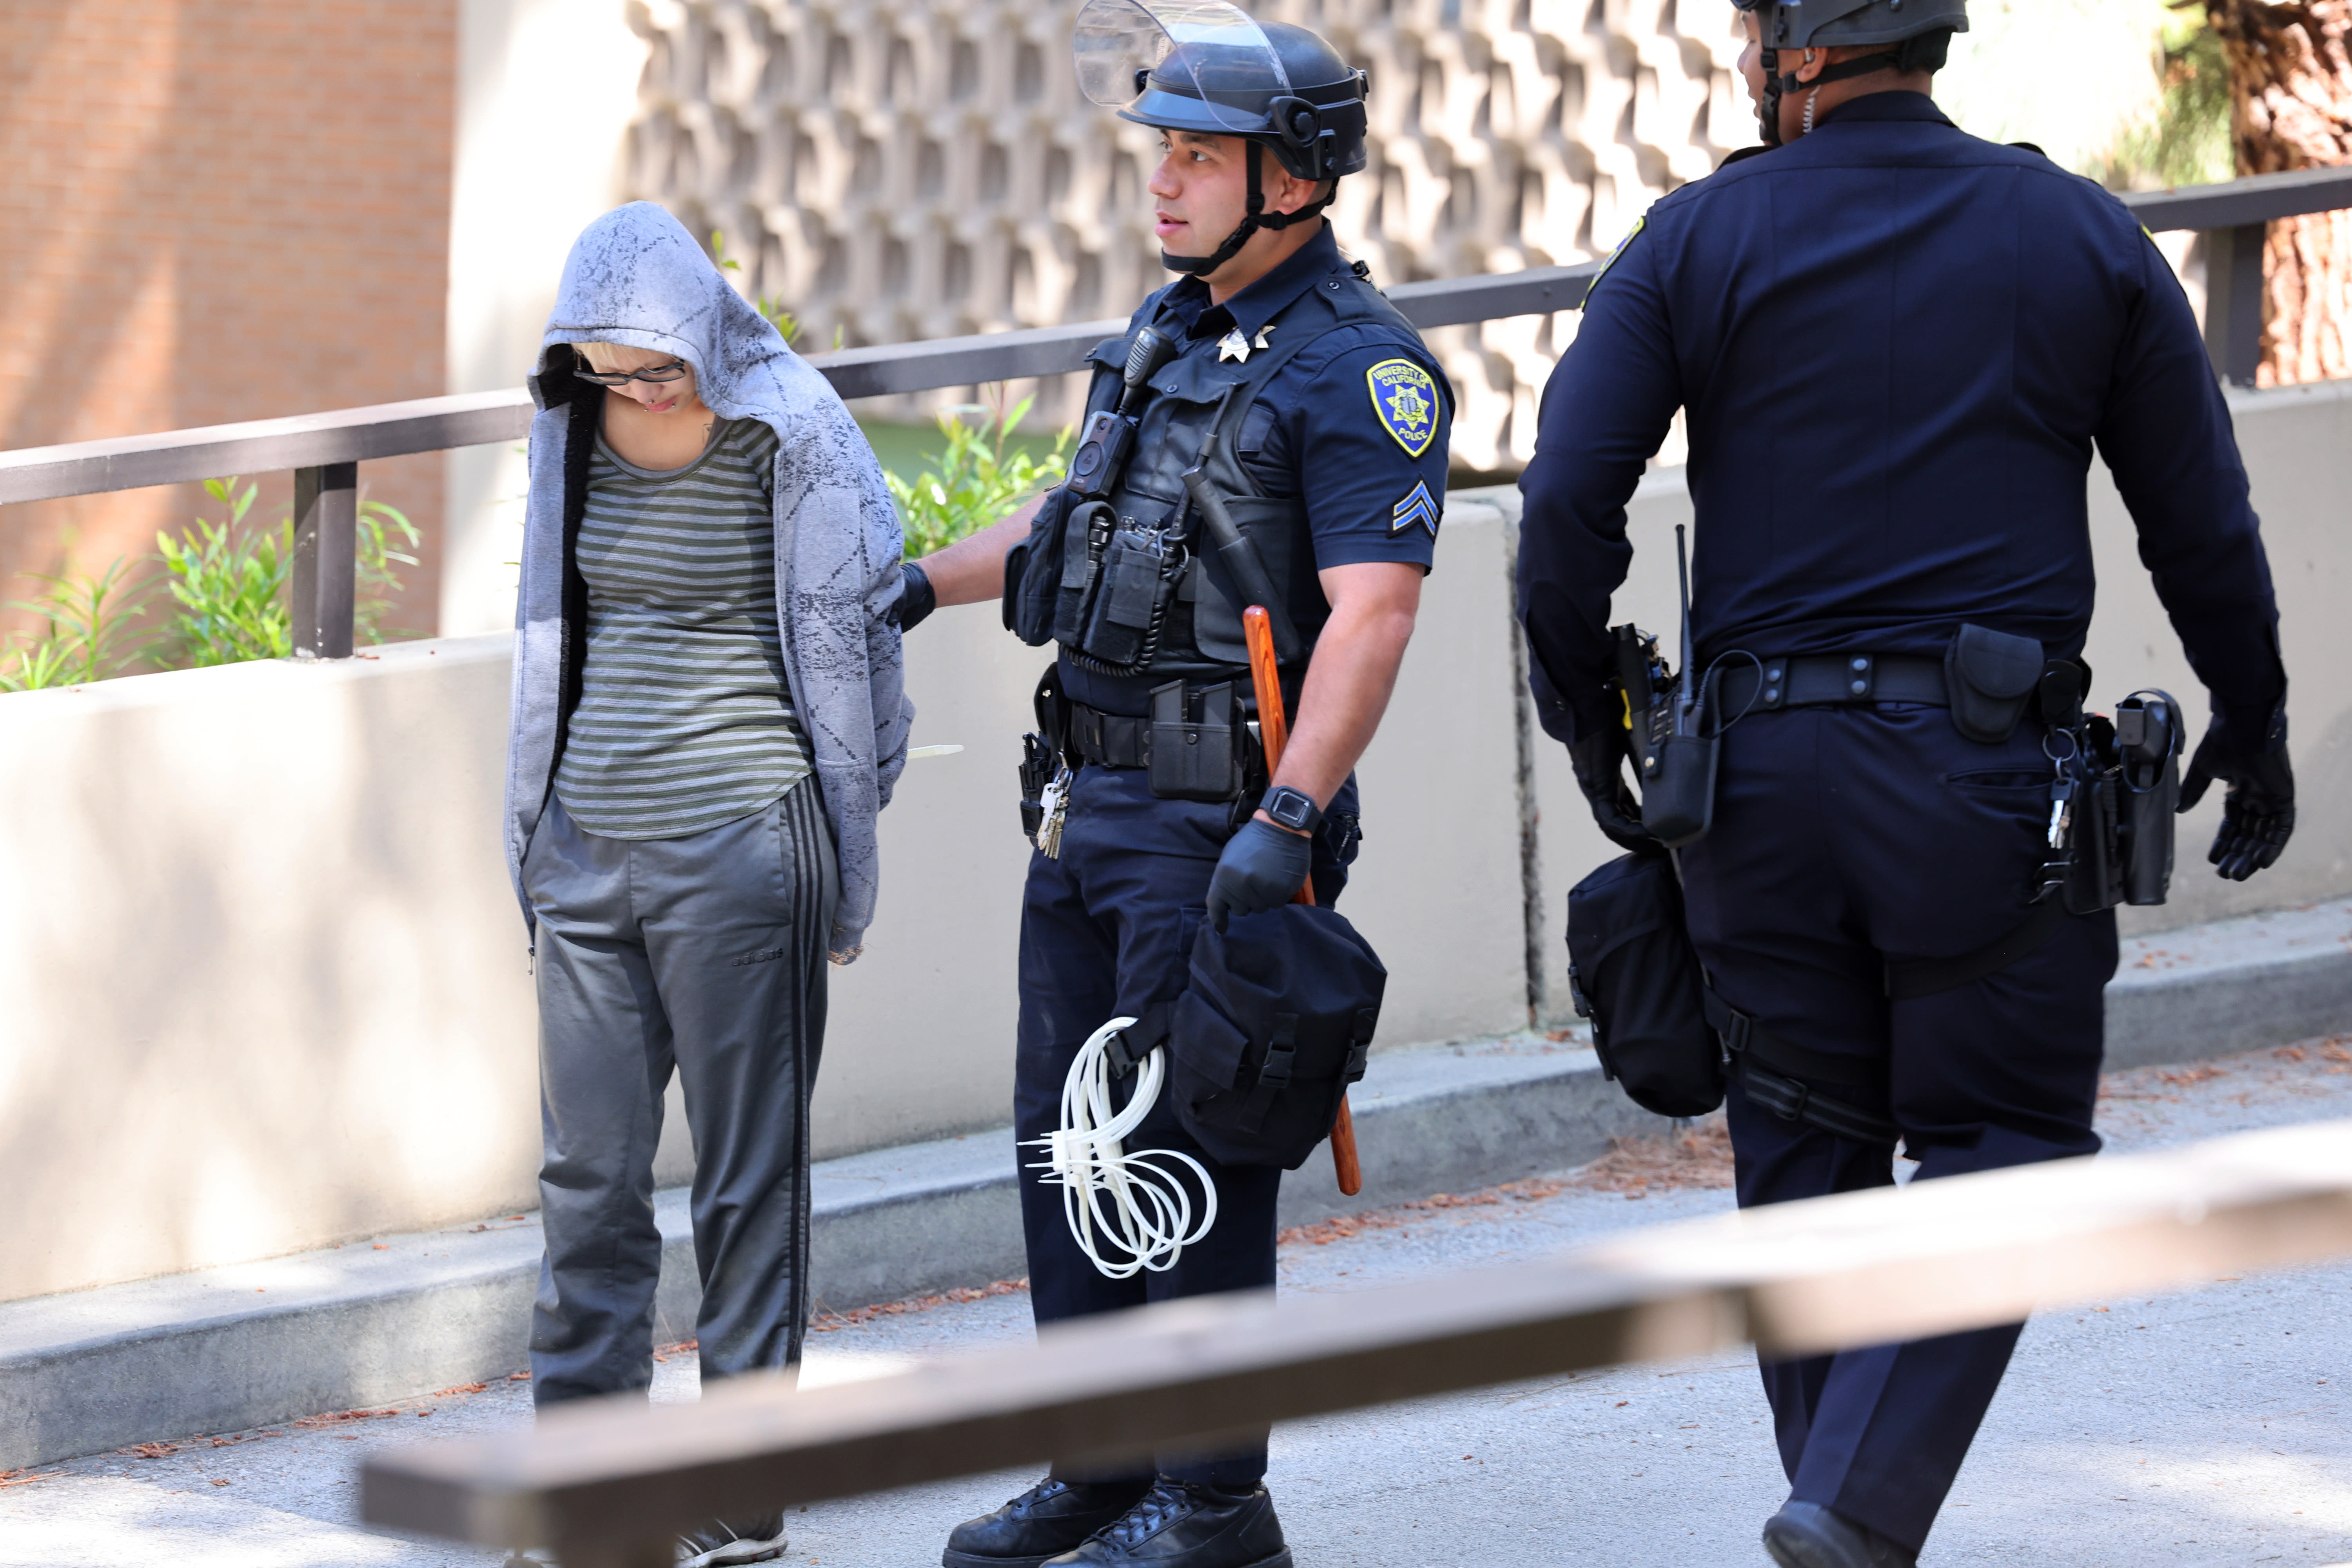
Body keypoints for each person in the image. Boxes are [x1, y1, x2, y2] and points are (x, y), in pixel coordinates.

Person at [1515, 3, 2294, 1566]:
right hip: (1981, 790)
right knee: (2004, 1142)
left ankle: (1842, 1515)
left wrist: (1585, 715)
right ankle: (1855, 1510)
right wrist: (2253, 714)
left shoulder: (1694, 238)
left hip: (1752, 791)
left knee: (1804, 1155)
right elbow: (2199, 517)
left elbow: (1561, 512)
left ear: (1796, 50)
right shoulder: (2081, 234)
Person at [897, 4, 1450, 1564]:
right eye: (1164, 152)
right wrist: (911, 582)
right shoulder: (1165, 332)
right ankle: (1100, 1465)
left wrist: (1290, 818)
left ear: (1294, 177)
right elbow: (1068, 516)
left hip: (1218, 825)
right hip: (1083, 807)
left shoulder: (1360, 370)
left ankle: (1214, 1502)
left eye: (1203, 157)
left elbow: (1376, 612)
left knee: (1190, 1155)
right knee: (1069, 1145)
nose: (1166, 181)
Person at [502, 200, 911, 1568]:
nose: (636, 391)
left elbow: (865, 626)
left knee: (745, 1185)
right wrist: (536, 828)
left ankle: (739, 1493)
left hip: (743, 842)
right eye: (611, 370)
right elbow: (551, 628)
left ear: (705, 334)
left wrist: (851, 842)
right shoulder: (570, 426)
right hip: (585, 848)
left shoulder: (790, 426)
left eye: (657, 368)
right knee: (587, 1180)